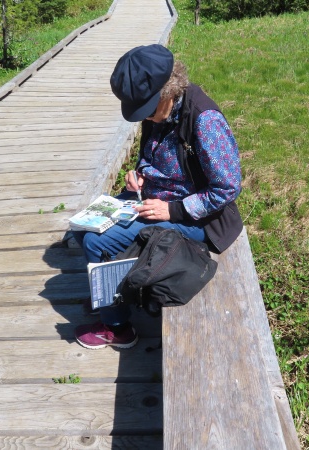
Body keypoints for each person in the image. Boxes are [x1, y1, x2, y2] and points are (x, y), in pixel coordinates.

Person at [73, 44, 243, 349]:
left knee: (96, 242)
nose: (147, 118)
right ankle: (110, 291)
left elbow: (227, 188)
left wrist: (173, 211)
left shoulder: (205, 121)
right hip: (153, 198)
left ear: (169, 91)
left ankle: (117, 327)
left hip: (198, 218)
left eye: (148, 111)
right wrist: (140, 173)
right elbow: (154, 155)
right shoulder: (161, 112)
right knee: (83, 227)